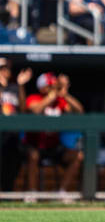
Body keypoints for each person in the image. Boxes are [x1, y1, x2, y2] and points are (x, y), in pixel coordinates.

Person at [24, 73, 84, 202]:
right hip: (36, 144)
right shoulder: (34, 98)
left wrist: (65, 95)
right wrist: (51, 96)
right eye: (50, 86)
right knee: (33, 155)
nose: (53, 88)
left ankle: (61, 192)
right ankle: (32, 193)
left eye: (54, 86)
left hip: (54, 145)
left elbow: (79, 110)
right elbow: (35, 110)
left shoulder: (59, 100)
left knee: (77, 156)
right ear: (42, 87)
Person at [0, 58, 31, 191]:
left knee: (11, 166)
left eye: (6, 68)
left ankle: (8, 194)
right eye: (2, 68)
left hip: (13, 135)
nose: (5, 71)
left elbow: (23, 108)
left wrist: (20, 85)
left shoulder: (14, 88)